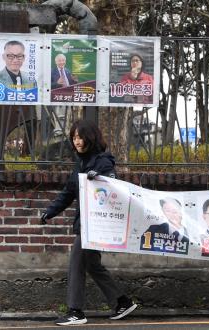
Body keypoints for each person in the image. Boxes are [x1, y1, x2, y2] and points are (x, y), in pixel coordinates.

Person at [40, 119, 137, 326]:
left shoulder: (103, 161)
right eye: (74, 137)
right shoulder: (80, 163)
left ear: (90, 138)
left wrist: (100, 178)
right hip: (85, 223)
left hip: (95, 225)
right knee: (92, 265)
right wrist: (50, 212)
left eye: (80, 137)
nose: (77, 141)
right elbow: (68, 192)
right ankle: (122, 302)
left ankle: (76, 311)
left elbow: (114, 186)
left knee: (77, 263)